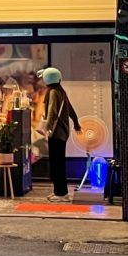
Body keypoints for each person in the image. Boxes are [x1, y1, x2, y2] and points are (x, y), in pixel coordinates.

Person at [40, 67, 81, 202]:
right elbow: (70, 109)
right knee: (59, 162)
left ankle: (61, 193)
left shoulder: (52, 92)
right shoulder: (61, 92)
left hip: (56, 133)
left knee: (56, 163)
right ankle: (59, 191)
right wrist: (76, 122)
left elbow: (52, 111)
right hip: (62, 133)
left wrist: (47, 128)